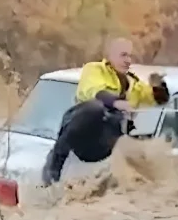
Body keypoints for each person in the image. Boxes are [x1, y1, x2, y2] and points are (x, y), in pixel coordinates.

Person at [41, 38, 170, 185]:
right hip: (82, 131)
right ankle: (54, 166)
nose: (128, 60)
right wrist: (116, 103)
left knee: (128, 138)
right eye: (123, 55)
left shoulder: (134, 84)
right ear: (110, 55)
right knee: (95, 108)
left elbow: (157, 100)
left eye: (130, 56)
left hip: (104, 142)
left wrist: (159, 85)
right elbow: (94, 91)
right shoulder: (95, 70)